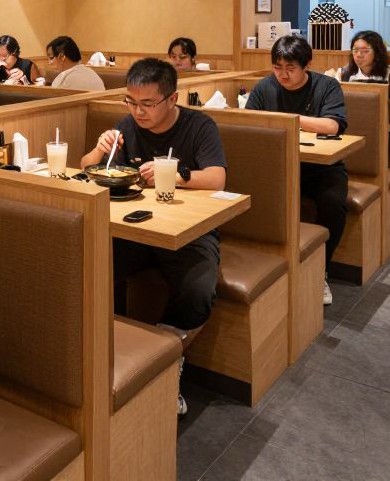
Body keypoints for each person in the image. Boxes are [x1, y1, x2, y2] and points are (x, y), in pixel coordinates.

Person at [81, 58, 225, 416]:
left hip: (189, 231)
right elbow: (86, 168)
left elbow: (217, 179)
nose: (138, 111)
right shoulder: (127, 125)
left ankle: (167, 362)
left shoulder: (199, 126)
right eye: (130, 101)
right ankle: (104, 363)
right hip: (136, 227)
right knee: (92, 269)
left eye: (147, 104)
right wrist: (101, 147)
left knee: (198, 292)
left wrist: (178, 174)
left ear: (172, 99)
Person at [245, 35, 347, 306]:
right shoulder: (264, 87)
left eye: (290, 68)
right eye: (277, 67)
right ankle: (261, 265)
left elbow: (334, 125)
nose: (283, 74)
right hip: (277, 166)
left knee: (333, 202)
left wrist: (291, 121)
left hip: (321, 168)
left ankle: (322, 270)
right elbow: (247, 122)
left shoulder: (327, 86)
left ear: (307, 65)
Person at [339, 30, 390, 176]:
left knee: (386, 169)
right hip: (352, 132)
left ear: (377, 52)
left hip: (388, 131)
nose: (359, 55)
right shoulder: (344, 74)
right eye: (355, 50)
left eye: (365, 51)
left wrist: (381, 95)